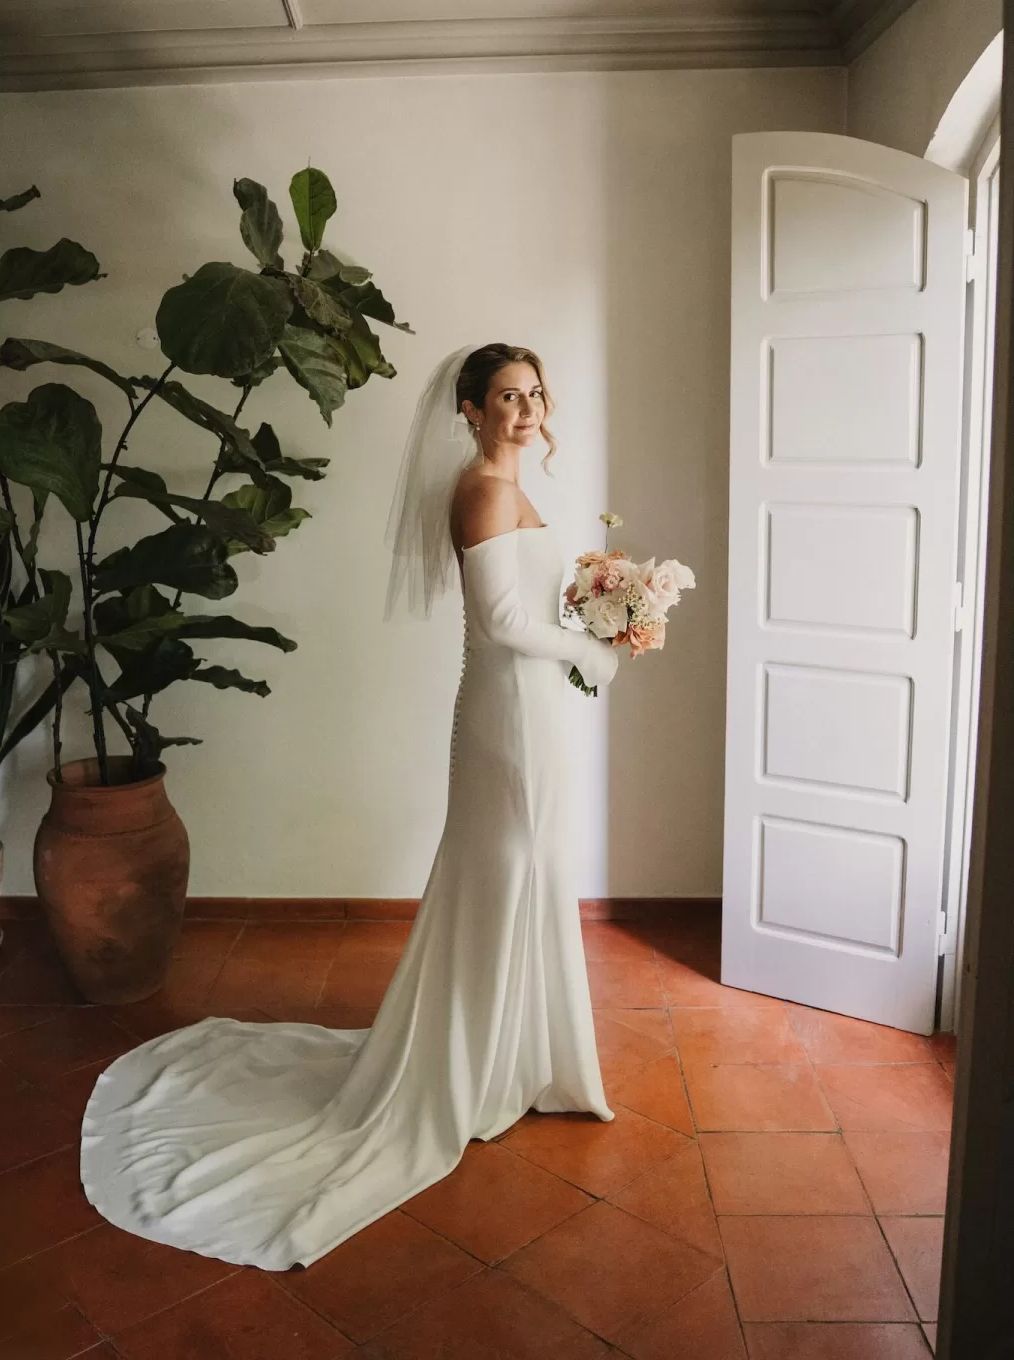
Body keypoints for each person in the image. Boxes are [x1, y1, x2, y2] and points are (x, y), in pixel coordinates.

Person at [80, 342, 619, 1271]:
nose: (526, 410)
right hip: (510, 714)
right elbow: (496, 625)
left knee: (534, 870)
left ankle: (520, 1055)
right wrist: (594, 654)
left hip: (536, 708)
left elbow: (537, 601)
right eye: (505, 396)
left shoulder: (511, 483)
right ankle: (475, 1068)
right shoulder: (484, 489)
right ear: (469, 408)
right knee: (508, 868)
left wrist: (608, 610)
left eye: (534, 394)